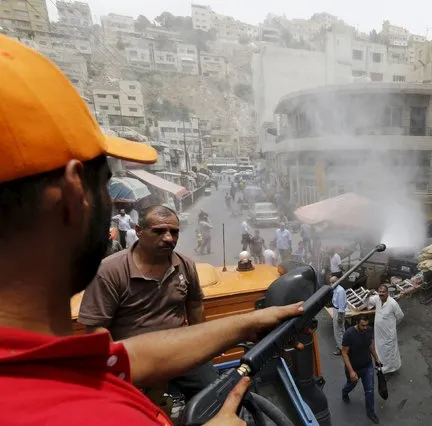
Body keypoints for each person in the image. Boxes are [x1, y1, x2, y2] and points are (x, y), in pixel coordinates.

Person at [0, 34, 304, 426]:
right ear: (73, 197)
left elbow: (127, 357)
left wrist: (247, 323)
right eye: (105, 179)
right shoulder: (95, 412)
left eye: (173, 231)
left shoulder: (42, 366)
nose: (168, 238)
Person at [79, 205, 216, 400]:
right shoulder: (110, 271)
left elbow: (194, 305)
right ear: (138, 231)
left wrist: (202, 346)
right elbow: (95, 329)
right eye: (159, 231)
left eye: (174, 232)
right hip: (134, 361)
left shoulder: (185, 265)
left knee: (217, 395)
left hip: (180, 352)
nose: (169, 238)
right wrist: (120, 367)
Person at [341, 316, 382, 424]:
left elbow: (371, 345)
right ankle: (344, 392)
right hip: (354, 369)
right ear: (357, 323)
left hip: (367, 366)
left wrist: (376, 359)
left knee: (369, 391)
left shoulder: (368, 330)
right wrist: (351, 371)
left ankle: (370, 412)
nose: (365, 328)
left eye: (366, 325)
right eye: (362, 325)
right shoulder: (349, 334)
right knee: (350, 385)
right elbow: (344, 353)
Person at [367, 284, 404, 374]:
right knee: (380, 350)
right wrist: (368, 294)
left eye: (384, 292)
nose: (381, 293)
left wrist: (392, 326)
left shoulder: (393, 303)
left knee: (389, 351)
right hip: (379, 333)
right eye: (380, 292)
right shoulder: (377, 299)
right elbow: (368, 301)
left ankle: (390, 368)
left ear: (387, 293)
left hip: (389, 334)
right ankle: (382, 366)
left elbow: (400, 316)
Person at [331, 276, 347, 356]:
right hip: (336, 310)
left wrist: (340, 317)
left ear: (337, 282)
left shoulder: (340, 291)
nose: (331, 284)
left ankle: (341, 349)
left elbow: (341, 305)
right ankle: (342, 347)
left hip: (339, 312)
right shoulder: (336, 289)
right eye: (331, 282)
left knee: (338, 331)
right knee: (340, 330)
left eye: (333, 282)